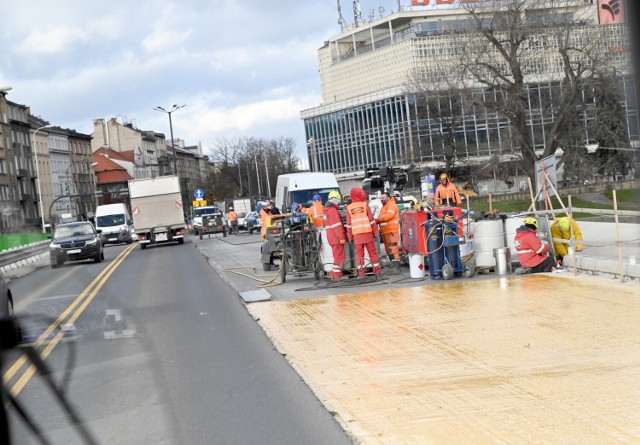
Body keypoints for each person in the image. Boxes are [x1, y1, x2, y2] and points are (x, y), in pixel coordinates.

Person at [346, 186, 381, 279]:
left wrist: (350, 238)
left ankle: (362, 274)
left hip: (357, 235)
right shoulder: (365, 205)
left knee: (359, 255)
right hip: (368, 233)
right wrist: (376, 233)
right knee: (372, 253)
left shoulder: (349, 208)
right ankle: (377, 272)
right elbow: (372, 221)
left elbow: (349, 225)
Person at [324, 190, 348, 280]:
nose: (339, 202)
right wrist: (341, 237)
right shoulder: (333, 211)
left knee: (336, 256)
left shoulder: (326, 210)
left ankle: (336, 274)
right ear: (335, 200)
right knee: (339, 256)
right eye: (338, 200)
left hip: (331, 237)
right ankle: (336, 275)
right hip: (336, 238)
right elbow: (336, 226)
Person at [376, 191, 401, 275]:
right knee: (389, 250)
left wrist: (377, 220)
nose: (382, 199)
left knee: (393, 249)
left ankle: (396, 269)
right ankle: (393, 267)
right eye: (381, 198)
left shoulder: (391, 205)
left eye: (383, 198)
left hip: (391, 230)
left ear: (388, 197)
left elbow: (388, 216)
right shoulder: (384, 207)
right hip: (386, 231)